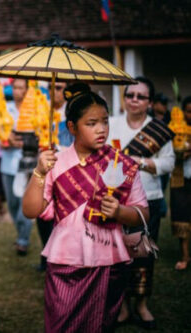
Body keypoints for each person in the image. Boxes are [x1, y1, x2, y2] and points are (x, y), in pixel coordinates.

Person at [22, 83, 149, 332]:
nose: (101, 129)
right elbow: (31, 211)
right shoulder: (55, 162)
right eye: (91, 123)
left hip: (109, 261)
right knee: (61, 323)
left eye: (104, 121)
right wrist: (38, 172)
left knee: (101, 325)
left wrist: (119, 212)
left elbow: (143, 214)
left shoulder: (120, 163)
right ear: (72, 127)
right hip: (66, 260)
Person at [108, 77, 175, 329]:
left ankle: (142, 305)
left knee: (143, 254)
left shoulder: (157, 129)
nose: (134, 99)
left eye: (140, 96)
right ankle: (123, 306)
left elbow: (168, 163)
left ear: (149, 102)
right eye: (130, 94)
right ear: (124, 99)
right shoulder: (111, 124)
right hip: (115, 202)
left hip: (148, 200)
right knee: (118, 255)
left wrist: (141, 162)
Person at [35, 81, 70, 272]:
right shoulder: (41, 110)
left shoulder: (72, 114)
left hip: (66, 170)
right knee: (42, 213)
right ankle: (45, 253)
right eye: (50, 87)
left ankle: (59, 256)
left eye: (58, 87)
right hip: (44, 169)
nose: (53, 91)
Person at [1, 78, 33, 255]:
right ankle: (20, 232)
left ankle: (23, 239)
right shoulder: (5, 109)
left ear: (27, 90)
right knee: (12, 204)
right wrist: (7, 140)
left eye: (21, 87)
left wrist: (21, 141)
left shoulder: (34, 110)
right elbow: (0, 136)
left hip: (27, 163)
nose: (17, 90)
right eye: (15, 87)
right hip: (7, 163)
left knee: (24, 205)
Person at [171, 96, 191, 270]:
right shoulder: (175, 130)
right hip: (180, 179)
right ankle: (185, 256)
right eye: (189, 110)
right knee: (182, 218)